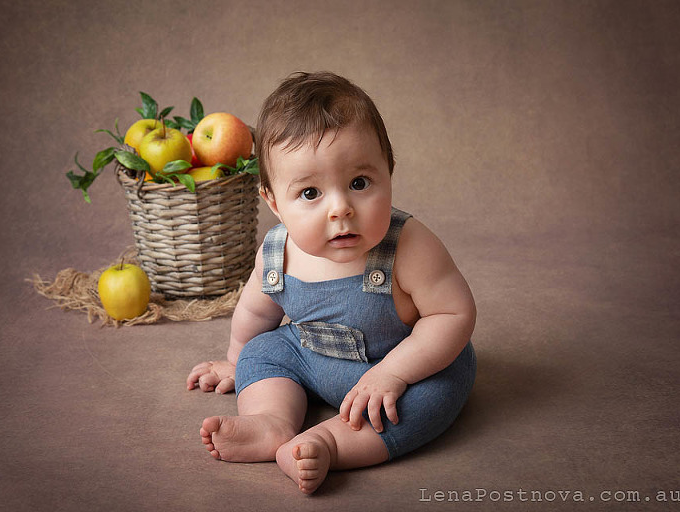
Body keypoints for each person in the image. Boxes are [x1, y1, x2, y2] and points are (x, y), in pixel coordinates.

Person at [187, 71, 476, 495]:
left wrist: (393, 373)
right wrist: (235, 360)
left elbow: (454, 313)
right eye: (309, 193)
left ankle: (330, 443)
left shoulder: (410, 245)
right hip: (313, 357)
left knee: (440, 391)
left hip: (405, 365)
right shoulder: (277, 252)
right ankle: (270, 421)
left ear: (388, 173)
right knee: (263, 350)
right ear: (274, 202)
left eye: (359, 183)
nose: (340, 209)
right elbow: (255, 311)